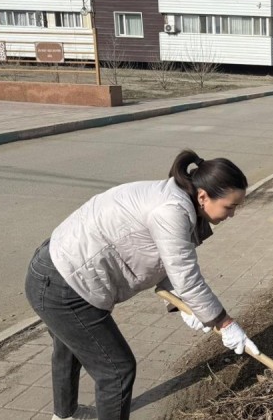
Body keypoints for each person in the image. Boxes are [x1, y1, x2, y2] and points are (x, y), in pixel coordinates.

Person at [25, 150, 259, 420]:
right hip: (62, 285)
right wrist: (223, 322)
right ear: (204, 196)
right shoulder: (171, 211)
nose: (232, 214)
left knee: (71, 347)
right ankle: (66, 415)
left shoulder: (177, 199)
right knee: (117, 370)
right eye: (230, 206)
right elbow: (185, 274)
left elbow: (165, 260)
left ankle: (65, 416)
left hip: (56, 271)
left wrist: (183, 305)